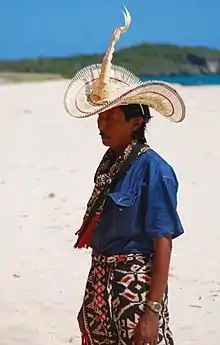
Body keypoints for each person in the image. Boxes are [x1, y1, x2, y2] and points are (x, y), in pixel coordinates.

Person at [64, 7, 186, 345]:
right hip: (100, 282)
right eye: (99, 117)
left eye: (110, 118)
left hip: (136, 287)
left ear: (136, 122)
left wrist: (152, 312)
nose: (101, 125)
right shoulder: (111, 164)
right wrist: (91, 297)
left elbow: (163, 243)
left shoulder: (155, 171)